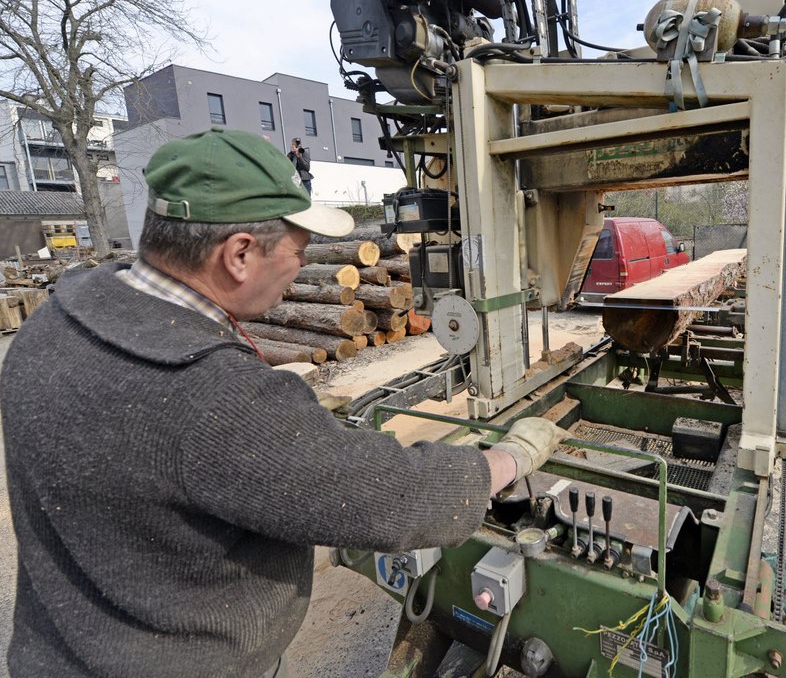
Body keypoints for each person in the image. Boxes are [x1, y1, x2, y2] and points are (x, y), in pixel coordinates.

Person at [0, 127, 565, 677]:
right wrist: (508, 458)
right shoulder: (211, 394)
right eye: (297, 252)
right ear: (239, 254)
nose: (300, 267)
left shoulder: (53, 325)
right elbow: (383, 498)